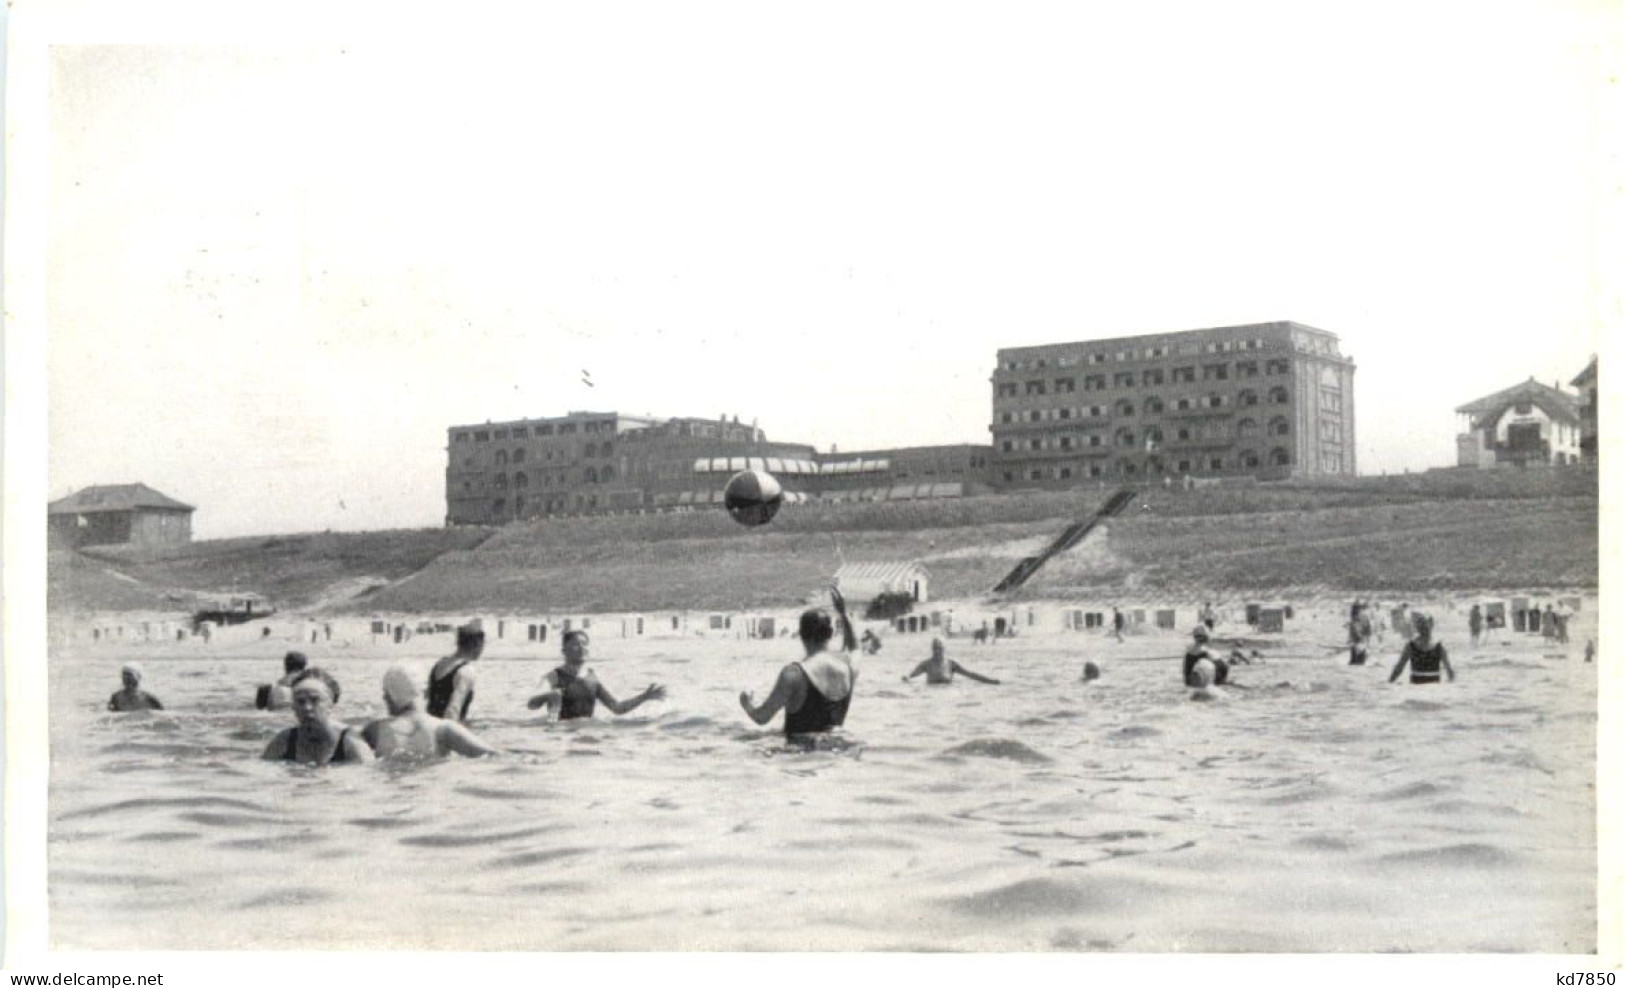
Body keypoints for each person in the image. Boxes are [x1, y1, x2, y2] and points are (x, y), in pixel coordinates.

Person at [740, 587, 858, 741]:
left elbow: (762, 718)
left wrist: (746, 703)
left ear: (801, 635)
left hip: (800, 759)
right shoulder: (849, 668)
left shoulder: (794, 675)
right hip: (838, 754)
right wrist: (842, 614)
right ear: (830, 633)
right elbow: (855, 648)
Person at [527, 631, 666, 720]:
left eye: (584, 644)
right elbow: (531, 704)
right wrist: (548, 696)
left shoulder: (591, 680)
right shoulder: (553, 676)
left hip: (586, 735)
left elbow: (617, 708)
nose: (581, 648)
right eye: (576, 644)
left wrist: (644, 697)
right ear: (564, 650)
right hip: (560, 736)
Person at [363, 666, 498, 758]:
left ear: (391, 696)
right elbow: (493, 755)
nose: (384, 697)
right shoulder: (443, 729)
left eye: (386, 692)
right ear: (424, 692)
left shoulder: (375, 731)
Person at [261, 667, 374, 764]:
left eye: (315, 700)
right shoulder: (284, 740)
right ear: (293, 707)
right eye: (300, 701)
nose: (307, 707)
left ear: (330, 704)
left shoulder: (350, 742)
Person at [426, 623, 484, 722]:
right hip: (445, 730)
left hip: (429, 726)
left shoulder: (439, 664)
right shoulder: (466, 671)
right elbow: (453, 710)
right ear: (476, 644)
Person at [1388, 613, 1455, 685]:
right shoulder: (1439, 646)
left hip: (1416, 686)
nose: (1423, 627)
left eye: (1424, 625)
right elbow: (1450, 672)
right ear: (1432, 625)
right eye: (1422, 625)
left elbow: (1399, 668)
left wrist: (1390, 682)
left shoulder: (1411, 646)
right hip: (1434, 688)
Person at [903, 638, 999, 685]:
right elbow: (912, 675)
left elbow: (970, 675)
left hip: (947, 696)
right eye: (934, 648)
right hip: (931, 697)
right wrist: (906, 678)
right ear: (932, 649)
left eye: (939, 648)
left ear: (944, 649)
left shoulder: (951, 664)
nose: (937, 651)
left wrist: (990, 681)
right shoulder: (926, 664)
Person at [1347, 601, 1373, 666]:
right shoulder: (1364, 615)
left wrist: (1352, 638)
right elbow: (1368, 627)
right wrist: (1367, 638)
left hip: (1357, 640)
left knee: (1354, 661)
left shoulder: (1355, 616)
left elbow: (1354, 628)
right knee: (1360, 661)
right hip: (1362, 640)